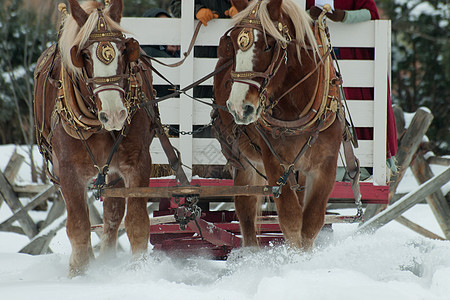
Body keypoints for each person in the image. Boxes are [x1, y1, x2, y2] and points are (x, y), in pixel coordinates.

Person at [307, 0, 398, 180]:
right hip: (311, 52)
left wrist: (343, 17)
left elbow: (370, 13)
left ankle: (354, 166)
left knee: (353, 109)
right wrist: (307, 14)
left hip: (351, 53)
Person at [169, 0, 238, 26]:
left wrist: (241, 8)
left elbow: (248, 4)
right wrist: (197, 10)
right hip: (202, 45)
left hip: (236, 42)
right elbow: (176, 5)